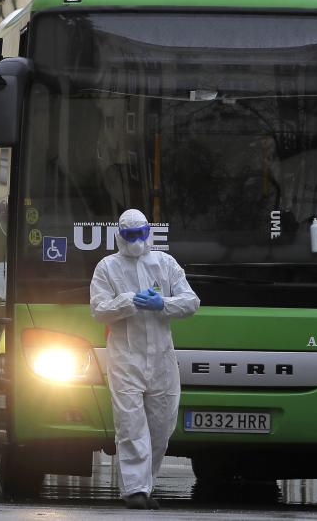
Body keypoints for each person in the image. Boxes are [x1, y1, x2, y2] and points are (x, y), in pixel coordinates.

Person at [90, 208, 200, 510]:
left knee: (161, 426)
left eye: (141, 234)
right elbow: (98, 309)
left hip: (162, 360)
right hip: (126, 359)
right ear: (120, 236)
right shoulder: (107, 268)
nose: (136, 240)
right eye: (130, 235)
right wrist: (128, 302)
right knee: (130, 424)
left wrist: (161, 303)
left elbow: (191, 302)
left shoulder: (165, 264)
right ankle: (136, 490)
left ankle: (145, 485)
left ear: (148, 232)